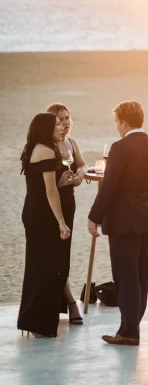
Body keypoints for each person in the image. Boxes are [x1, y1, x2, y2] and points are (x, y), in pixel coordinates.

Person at [88, 100, 148, 346]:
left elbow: (110, 187)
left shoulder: (120, 148)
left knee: (125, 276)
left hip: (124, 221)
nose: (117, 127)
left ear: (124, 122)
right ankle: (133, 324)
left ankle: (129, 331)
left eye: (117, 122)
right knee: (140, 272)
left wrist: (94, 217)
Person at [17, 113, 72, 337]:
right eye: (56, 124)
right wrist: (62, 222)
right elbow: (50, 192)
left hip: (32, 211)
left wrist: (62, 182)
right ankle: (39, 325)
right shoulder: (48, 150)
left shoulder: (34, 148)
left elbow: (42, 186)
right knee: (48, 268)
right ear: (46, 128)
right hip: (43, 215)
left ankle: (31, 321)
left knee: (37, 266)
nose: (61, 127)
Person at [46, 103, 88, 325]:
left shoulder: (71, 143)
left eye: (67, 118)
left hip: (68, 204)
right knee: (53, 257)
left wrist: (81, 175)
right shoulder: (47, 147)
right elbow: (43, 184)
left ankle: (64, 303)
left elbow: (82, 165)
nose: (65, 123)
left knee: (63, 256)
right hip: (50, 207)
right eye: (59, 120)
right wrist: (60, 183)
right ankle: (70, 303)